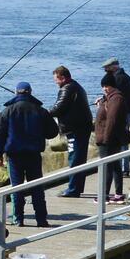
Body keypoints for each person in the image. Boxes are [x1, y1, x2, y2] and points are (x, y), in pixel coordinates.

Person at [0, 81, 56, 228]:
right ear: (30, 92)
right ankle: (41, 219)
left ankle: (18, 219)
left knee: (16, 187)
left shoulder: (7, 111)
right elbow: (53, 132)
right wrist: (40, 132)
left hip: (14, 155)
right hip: (34, 154)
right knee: (37, 187)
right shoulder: (40, 111)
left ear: (16, 92)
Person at [49, 67, 94, 198]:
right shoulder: (76, 86)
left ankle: (73, 189)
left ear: (63, 78)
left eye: (56, 80)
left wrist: (44, 112)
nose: (56, 82)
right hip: (81, 127)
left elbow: (58, 108)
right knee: (79, 158)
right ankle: (76, 187)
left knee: (74, 158)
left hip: (75, 129)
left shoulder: (67, 89)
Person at [91, 77, 130, 203]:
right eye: (103, 86)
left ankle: (104, 195)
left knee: (106, 167)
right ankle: (118, 194)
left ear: (113, 86)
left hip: (109, 138)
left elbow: (112, 120)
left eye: (107, 86)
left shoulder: (116, 98)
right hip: (111, 137)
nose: (104, 88)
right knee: (115, 165)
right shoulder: (110, 97)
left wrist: (106, 139)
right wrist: (102, 102)